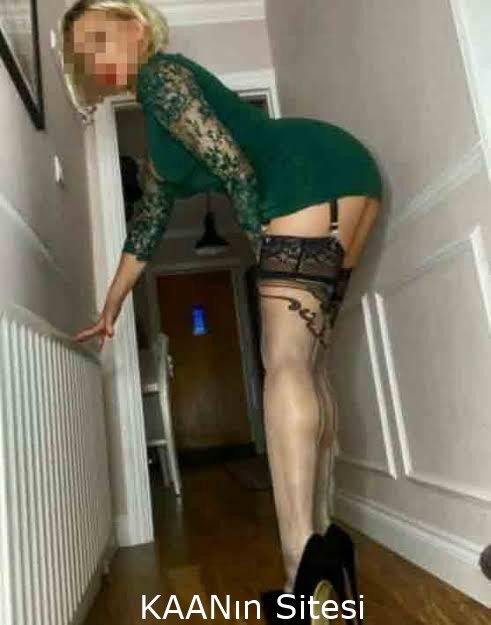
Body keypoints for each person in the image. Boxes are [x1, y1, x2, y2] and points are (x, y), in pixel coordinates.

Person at [59, 1, 382, 621]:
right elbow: (147, 226)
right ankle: (327, 546)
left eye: (101, 37)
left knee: (283, 361)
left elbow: (232, 162)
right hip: (341, 170)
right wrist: (110, 306)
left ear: (135, 27)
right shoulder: (161, 115)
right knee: (309, 366)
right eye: (83, 53)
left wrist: (260, 236)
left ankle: (301, 571)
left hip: (302, 176)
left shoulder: (160, 76)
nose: (95, 58)